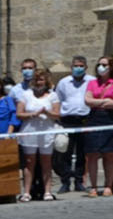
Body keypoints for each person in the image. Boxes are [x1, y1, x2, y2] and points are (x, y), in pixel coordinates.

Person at [16, 69, 60, 202]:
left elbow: (57, 114)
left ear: (46, 81)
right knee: (29, 163)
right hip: (30, 132)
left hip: (47, 132)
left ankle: (47, 191)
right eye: (36, 79)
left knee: (46, 162)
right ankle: (27, 192)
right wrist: (32, 115)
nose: (38, 82)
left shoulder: (53, 96)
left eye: (41, 79)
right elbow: (19, 114)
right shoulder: (25, 95)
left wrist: (47, 112)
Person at [54, 57, 91, 194]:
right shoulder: (63, 82)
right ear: (71, 67)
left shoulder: (91, 81)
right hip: (67, 120)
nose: (78, 68)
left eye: (81, 65)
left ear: (86, 67)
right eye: (76, 65)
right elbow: (58, 99)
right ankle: (65, 181)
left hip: (84, 120)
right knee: (65, 152)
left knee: (82, 152)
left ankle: (79, 181)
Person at [82, 56, 113, 195]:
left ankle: (108, 186)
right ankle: (93, 186)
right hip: (94, 118)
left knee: (109, 154)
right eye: (99, 64)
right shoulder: (92, 83)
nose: (101, 67)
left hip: (110, 119)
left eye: (104, 64)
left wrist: (102, 102)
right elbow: (87, 100)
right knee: (92, 154)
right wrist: (104, 101)